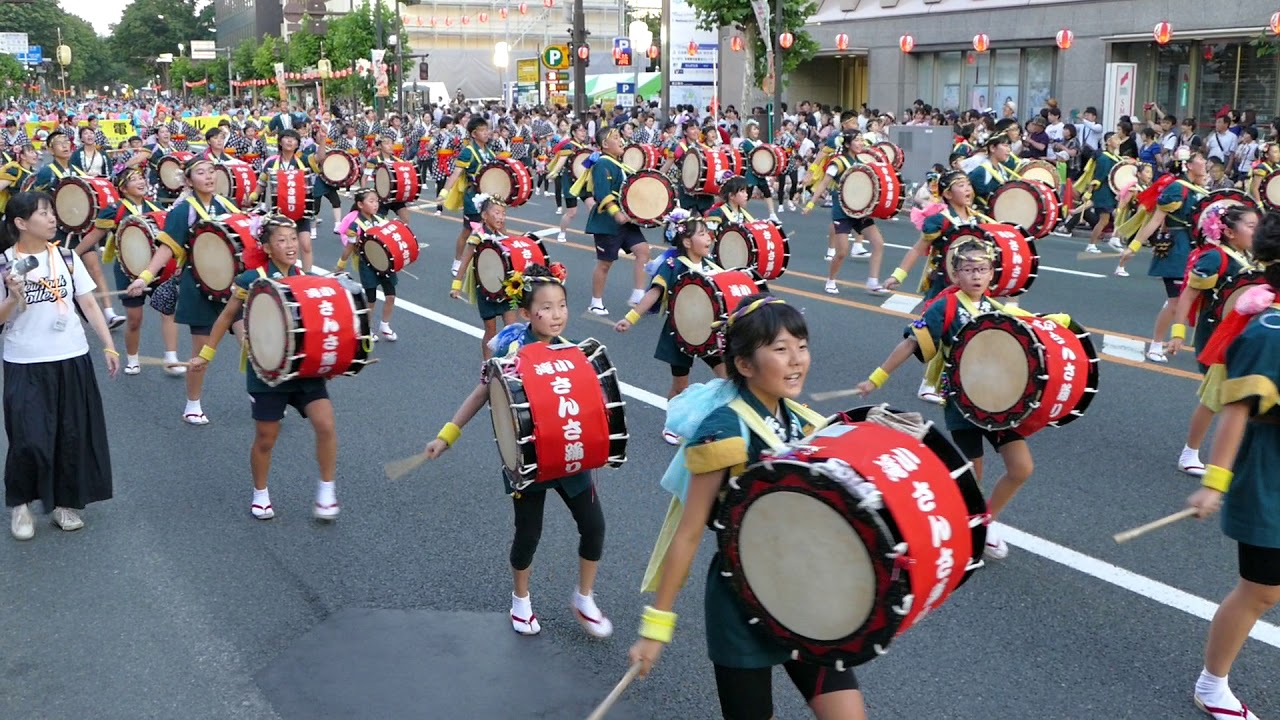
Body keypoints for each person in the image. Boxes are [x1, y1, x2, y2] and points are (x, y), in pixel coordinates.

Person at [628, 295, 866, 719]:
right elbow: (688, 532)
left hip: (804, 597)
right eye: (780, 349)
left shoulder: (802, 420)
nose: (796, 360)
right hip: (742, 601)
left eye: (802, 345)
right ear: (744, 364)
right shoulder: (723, 430)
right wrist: (656, 626)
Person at [423, 264, 612, 638]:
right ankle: (520, 599)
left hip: (569, 452)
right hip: (530, 459)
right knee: (529, 532)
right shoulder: (511, 354)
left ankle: (584, 596)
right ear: (526, 313)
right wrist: (447, 435)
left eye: (561, 305)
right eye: (546, 307)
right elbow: (482, 394)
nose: (556, 314)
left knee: (594, 527)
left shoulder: (572, 352)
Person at [856, 237, 1048, 559]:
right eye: (969, 270)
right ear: (955, 275)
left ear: (991, 275)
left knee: (1021, 468)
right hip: (963, 404)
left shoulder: (995, 307)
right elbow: (910, 345)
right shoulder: (944, 307)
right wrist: (876, 378)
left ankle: (985, 521)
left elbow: (1027, 333)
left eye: (982, 269)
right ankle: (951, 526)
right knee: (972, 478)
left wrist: (1054, 323)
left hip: (999, 404)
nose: (976, 275)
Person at [1184, 212, 1280, 720]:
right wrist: (1214, 483)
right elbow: (1236, 411)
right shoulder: (1269, 329)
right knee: (1262, 591)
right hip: (1269, 478)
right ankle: (1212, 683)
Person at [188, 216, 340, 521]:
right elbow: (226, 316)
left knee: (325, 425)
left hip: (303, 369)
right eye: (281, 240)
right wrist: (206, 353)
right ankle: (260, 493)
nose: (290, 245)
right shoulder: (251, 279)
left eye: (293, 239)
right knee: (266, 437)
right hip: (267, 370)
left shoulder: (303, 276)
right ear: (267, 247)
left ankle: (327, 490)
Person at [1, 192, 120, 541]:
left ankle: (65, 504)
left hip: (71, 356)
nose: (53, 219)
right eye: (43, 214)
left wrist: (108, 346)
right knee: (29, 438)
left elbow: (88, 302)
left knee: (72, 435)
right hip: (26, 360)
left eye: (52, 212)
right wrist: (11, 298)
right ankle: (22, 503)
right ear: (21, 223)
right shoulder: (5, 264)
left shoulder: (67, 257)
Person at [125, 156, 241, 425]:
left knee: (249, 340)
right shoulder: (183, 211)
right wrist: (144, 277)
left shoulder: (227, 204)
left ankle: (260, 394)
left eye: (212, 171)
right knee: (202, 352)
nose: (209, 177)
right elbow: (166, 249)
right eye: (201, 173)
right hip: (198, 286)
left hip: (231, 287)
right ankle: (193, 404)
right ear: (188, 181)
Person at [614, 212, 727, 443]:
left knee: (728, 379)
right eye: (703, 234)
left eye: (708, 234)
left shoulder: (710, 265)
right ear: (687, 242)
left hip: (710, 332)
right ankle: (673, 424)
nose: (709, 238)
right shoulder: (672, 264)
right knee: (680, 386)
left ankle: (718, 420)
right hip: (681, 333)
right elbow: (654, 293)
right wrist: (631, 317)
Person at [1165, 204, 1260, 476]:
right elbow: (1189, 295)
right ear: (1229, 231)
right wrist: (1179, 333)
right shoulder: (1215, 258)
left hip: (1245, 337)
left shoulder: (1250, 258)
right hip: (1219, 339)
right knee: (1214, 398)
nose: (1257, 231)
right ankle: (1190, 452)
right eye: (1251, 226)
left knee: (1249, 395)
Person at [886, 171, 990, 404]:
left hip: (971, 286)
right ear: (947, 193)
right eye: (960, 185)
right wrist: (898, 275)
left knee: (966, 332)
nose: (967, 189)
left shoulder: (978, 220)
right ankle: (928, 384)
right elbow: (917, 249)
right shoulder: (941, 220)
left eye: (968, 185)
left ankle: (952, 381)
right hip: (944, 285)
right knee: (935, 335)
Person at [79, 168, 183, 376]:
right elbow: (93, 236)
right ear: (123, 188)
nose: (141, 182)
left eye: (141, 178)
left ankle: (171, 357)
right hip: (127, 270)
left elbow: (169, 237)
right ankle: (133, 358)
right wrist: (72, 255)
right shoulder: (114, 210)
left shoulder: (156, 206)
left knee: (167, 310)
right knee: (135, 318)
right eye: (134, 180)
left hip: (158, 269)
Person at [1128, 151, 1210, 363]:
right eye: (1201, 160)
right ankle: (1156, 344)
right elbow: (1156, 220)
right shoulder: (1176, 188)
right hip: (1176, 250)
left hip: (1194, 249)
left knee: (1197, 300)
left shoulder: (1201, 190)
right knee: (1176, 302)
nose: (1205, 163)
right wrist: (1134, 246)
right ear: (1189, 165)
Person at [803, 130, 889, 295]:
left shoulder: (862, 161)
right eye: (857, 140)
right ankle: (831, 280)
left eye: (862, 140)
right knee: (842, 251)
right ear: (847, 144)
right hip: (842, 210)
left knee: (878, 243)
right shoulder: (838, 163)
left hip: (859, 210)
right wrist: (811, 203)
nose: (861, 143)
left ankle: (872, 281)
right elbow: (824, 183)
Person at [581, 126, 652, 316]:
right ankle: (595, 302)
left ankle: (638, 294)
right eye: (616, 138)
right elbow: (602, 193)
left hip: (625, 221)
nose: (621, 140)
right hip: (607, 222)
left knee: (643, 251)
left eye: (621, 137)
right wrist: (616, 213)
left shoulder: (618, 164)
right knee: (605, 264)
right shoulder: (603, 164)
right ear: (605, 144)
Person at [449, 193, 519, 358]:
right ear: (484, 215)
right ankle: (487, 365)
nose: (501, 217)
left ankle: (512, 361)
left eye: (503, 213)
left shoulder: (504, 236)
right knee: (490, 330)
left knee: (512, 328)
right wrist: (456, 286)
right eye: (496, 212)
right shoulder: (477, 236)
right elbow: (465, 261)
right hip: (486, 290)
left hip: (506, 288)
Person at [336, 187, 399, 342]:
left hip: (385, 265)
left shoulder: (381, 220)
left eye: (376, 201)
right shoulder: (355, 225)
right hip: (368, 266)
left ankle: (385, 325)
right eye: (371, 201)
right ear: (360, 204)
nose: (375, 204)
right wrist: (340, 265)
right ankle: (367, 328)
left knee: (391, 296)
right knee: (371, 300)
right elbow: (350, 247)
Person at [253, 129, 316, 272]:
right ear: (280, 142)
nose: (289, 141)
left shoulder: (304, 161)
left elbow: (320, 157)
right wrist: (252, 197)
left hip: (300, 210)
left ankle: (308, 276)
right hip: (279, 213)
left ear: (297, 144)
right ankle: (284, 274)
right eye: (286, 138)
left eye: (293, 139)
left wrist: (323, 140)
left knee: (305, 245)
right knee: (281, 247)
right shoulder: (270, 163)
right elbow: (261, 183)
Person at [443, 117, 496, 276]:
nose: (486, 133)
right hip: (473, 197)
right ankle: (458, 260)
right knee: (468, 231)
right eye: (482, 130)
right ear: (474, 134)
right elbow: (456, 173)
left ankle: (486, 261)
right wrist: (444, 192)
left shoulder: (489, 151)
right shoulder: (468, 151)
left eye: (487, 129)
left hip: (488, 197)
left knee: (491, 229)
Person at [544, 122, 592, 243]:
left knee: (593, 207)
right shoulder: (569, 146)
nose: (583, 133)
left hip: (583, 181)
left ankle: (596, 230)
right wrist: (554, 172)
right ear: (574, 132)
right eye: (580, 130)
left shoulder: (584, 147)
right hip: (570, 181)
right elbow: (561, 160)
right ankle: (562, 231)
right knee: (571, 212)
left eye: (584, 131)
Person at [736, 120, 780, 223]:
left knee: (766, 192)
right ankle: (741, 215)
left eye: (757, 129)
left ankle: (772, 214)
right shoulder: (746, 143)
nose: (756, 131)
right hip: (750, 172)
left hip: (760, 172)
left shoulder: (758, 143)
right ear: (749, 131)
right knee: (748, 194)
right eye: (754, 129)